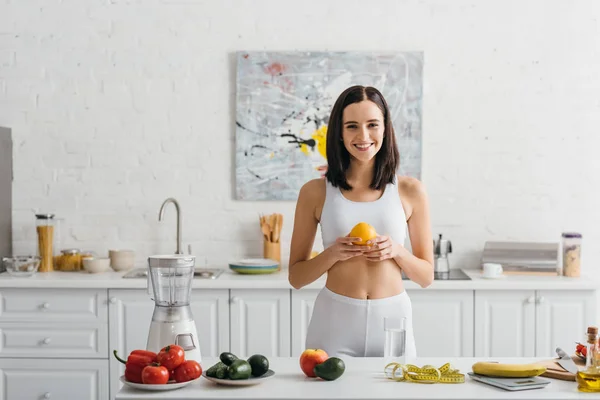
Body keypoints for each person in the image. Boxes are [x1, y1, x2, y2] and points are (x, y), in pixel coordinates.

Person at [288, 85, 434, 358]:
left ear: (385, 129)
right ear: (340, 134)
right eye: (352, 126)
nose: (363, 136)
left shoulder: (411, 190)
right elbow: (296, 277)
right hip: (333, 322)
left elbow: (426, 276)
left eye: (372, 125)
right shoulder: (314, 192)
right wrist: (333, 254)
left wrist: (397, 251)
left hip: (393, 321)